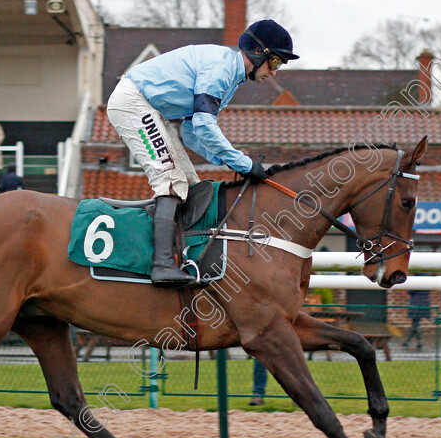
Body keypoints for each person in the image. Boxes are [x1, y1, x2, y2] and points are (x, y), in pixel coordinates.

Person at [105, 19, 298, 286]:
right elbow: (205, 126)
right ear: (257, 53)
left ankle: (185, 259)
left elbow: (192, 132)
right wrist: (242, 163)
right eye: (275, 62)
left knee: (192, 186)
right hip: (133, 103)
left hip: (151, 110)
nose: (275, 72)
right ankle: (160, 266)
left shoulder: (231, 76)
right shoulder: (221, 69)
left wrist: (229, 162)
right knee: (172, 182)